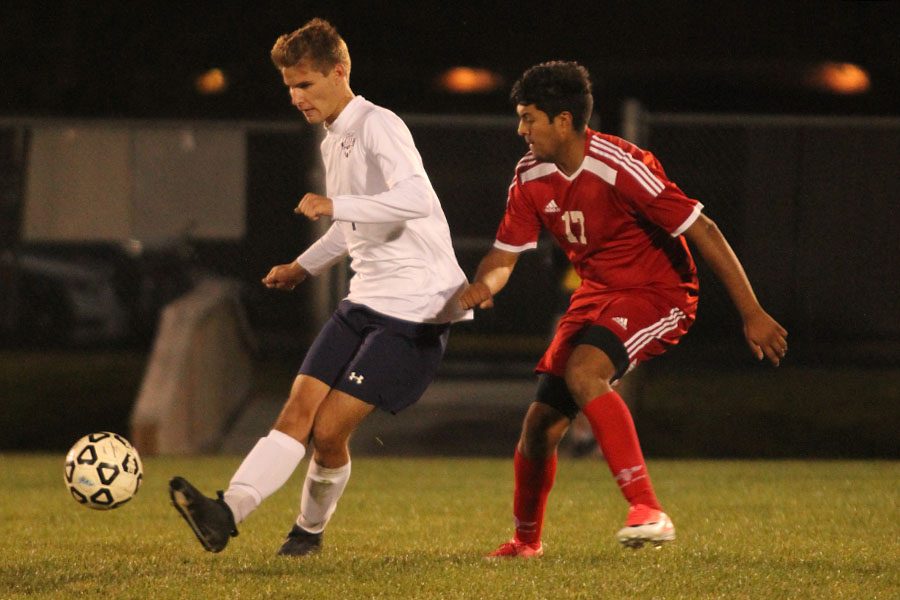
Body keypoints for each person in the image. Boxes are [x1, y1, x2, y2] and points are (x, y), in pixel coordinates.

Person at [168, 17, 471, 556]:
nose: (296, 98)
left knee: (329, 433)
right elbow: (355, 226)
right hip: (365, 300)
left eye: (305, 85)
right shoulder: (334, 140)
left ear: (340, 72)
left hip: (415, 309)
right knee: (295, 412)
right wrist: (303, 266)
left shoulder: (379, 124)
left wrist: (338, 205)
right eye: (290, 89)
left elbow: (416, 199)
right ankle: (226, 512)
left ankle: (307, 533)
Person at [460, 61, 788, 558]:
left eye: (529, 118)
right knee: (538, 425)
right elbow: (505, 254)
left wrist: (753, 312)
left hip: (660, 291)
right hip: (597, 293)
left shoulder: (620, 164)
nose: (520, 129)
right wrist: (485, 284)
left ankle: (648, 510)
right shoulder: (530, 174)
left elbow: (705, 230)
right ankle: (525, 542)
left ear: (564, 121)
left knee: (585, 371)